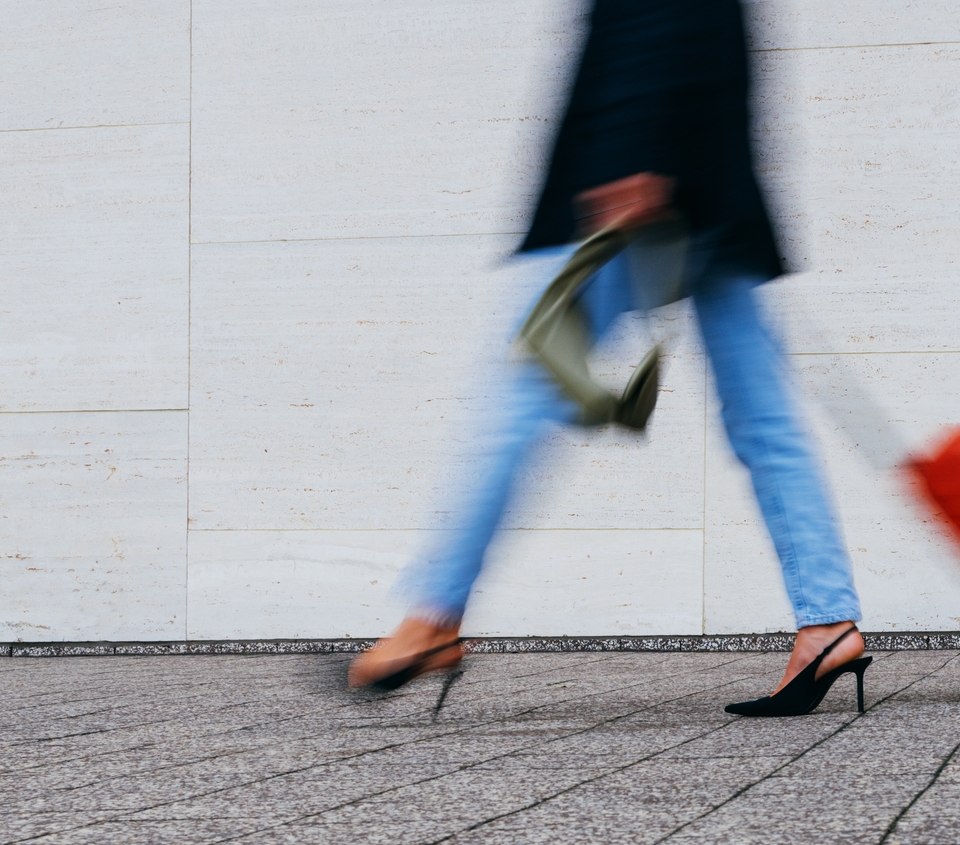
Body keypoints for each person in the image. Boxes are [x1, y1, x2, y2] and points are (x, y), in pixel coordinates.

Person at [347, 0, 870, 716]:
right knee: (764, 420)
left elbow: (660, 18)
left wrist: (635, 157)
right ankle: (828, 623)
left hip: (632, 179)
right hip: (710, 182)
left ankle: (433, 614)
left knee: (525, 394)